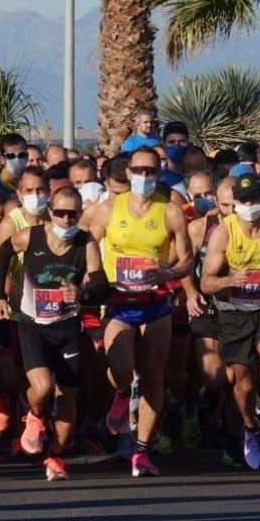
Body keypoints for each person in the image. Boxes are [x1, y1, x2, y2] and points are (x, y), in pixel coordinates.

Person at [82, 145, 195, 477]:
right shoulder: (107, 209)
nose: (144, 177)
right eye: (139, 170)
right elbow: (85, 242)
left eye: (151, 171)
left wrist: (170, 273)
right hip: (118, 304)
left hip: (155, 303)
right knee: (120, 368)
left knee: (153, 378)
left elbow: (187, 258)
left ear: (159, 174)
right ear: (128, 173)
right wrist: (93, 275)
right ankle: (120, 394)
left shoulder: (170, 211)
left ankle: (142, 450)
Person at [0, 172, 106, 481]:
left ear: (80, 214)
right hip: (34, 326)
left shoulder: (86, 242)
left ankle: (55, 456)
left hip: (67, 328)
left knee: (67, 398)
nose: (67, 219)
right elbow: (4, 251)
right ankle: (34, 413)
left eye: (73, 213)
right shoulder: (32, 235)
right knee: (43, 389)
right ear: (51, 212)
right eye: (60, 213)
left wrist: (83, 293)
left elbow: (100, 283)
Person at [201, 173, 260, 470]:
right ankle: (250, 426)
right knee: (243, 380)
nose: (248, 206)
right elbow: (206, 283)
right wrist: (229, 279)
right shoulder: (223, 233)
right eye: (243, 201)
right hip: (234, 313)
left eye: (254, 200)